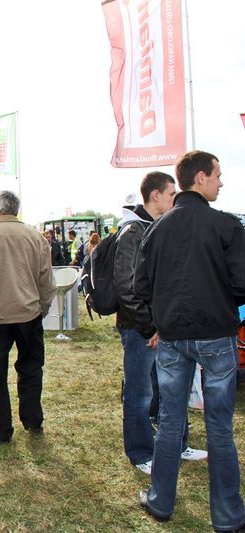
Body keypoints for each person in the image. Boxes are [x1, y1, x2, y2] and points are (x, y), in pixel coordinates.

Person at [134, 151, 245, 530]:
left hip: (175, 337)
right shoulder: (226, 226)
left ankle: (162, 501)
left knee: (170, 421)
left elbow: (141, 286)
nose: (221, 181)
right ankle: (228, 517)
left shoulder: (157, 229)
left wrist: (162, 316)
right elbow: (242, 283)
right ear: (200, 178)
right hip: (213, 336)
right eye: (217, 175)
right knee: (217, 427)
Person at [114, 171, 206, 476]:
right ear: (155, 195)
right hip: (140, 330)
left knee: (170, 390)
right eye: (171, 194)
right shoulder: (132, 231)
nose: (175, 198)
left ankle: (178, 444)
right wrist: (148, 327)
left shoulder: (157, 227)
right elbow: (126, 287)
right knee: (140, 394)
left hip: (163, 327)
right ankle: (140, 452)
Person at [0, 191, 55, 443]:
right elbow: (46, 279)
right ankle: (32, 419)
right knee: (31, 368)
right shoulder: (35, 236)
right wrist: (43, 307)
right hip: (29, 314)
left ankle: (1, 428)